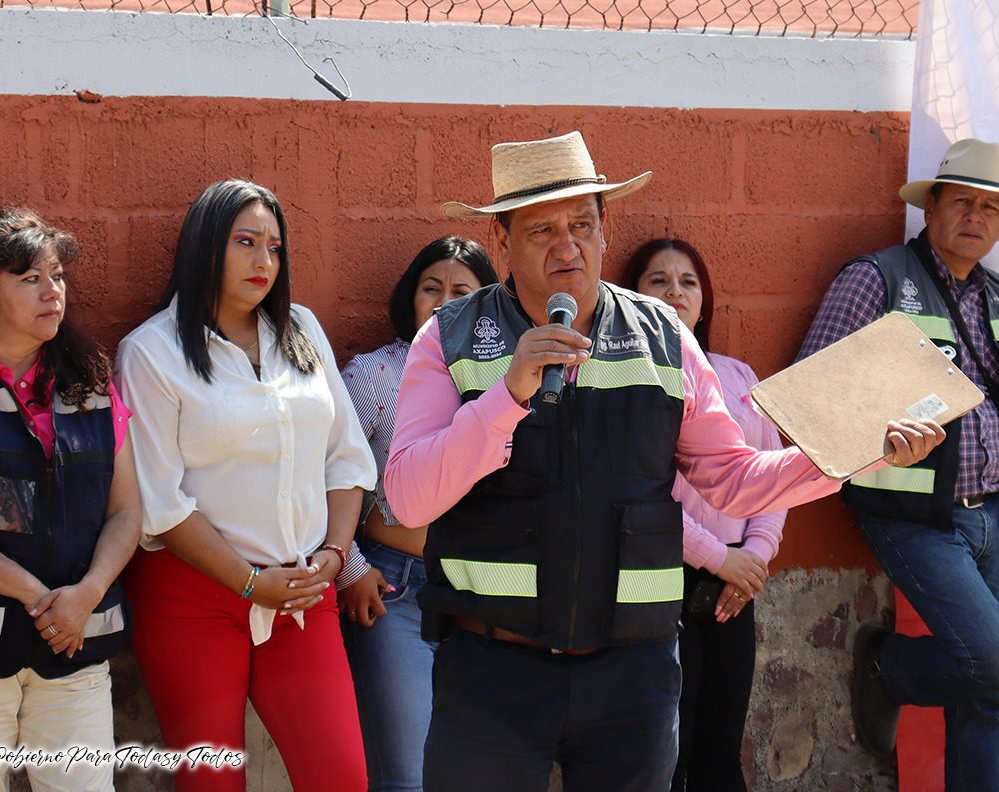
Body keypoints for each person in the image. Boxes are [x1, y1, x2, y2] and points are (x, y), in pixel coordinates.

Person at [384, 130, 945, 792]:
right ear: (502, 244)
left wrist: (855, 449)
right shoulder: (448, 338)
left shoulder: (663, 338)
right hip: (491, 673)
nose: (568, 246)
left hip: (633, 680)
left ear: (606, 228)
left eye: (583, 225)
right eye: (542, 231)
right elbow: (411, 499)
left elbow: (735, 481)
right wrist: (507, 395)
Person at [115, 179, 376, 792]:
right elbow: (160, 502)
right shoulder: (150, 353)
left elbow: (346, 458)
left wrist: (335, 557)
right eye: (246, 243)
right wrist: (251, 582)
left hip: (305, 597)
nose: (265, 262)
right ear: (206, 247)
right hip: (194, 600)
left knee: (340, 777)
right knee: (211, 783)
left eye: (276, 248)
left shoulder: (302, 330)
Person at [797, 138, 999, 791]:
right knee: (992, 661)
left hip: (993, 507)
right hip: (913, 515)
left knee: (991, 691)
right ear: (931, 207)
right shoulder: (878, 279)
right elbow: (810, 400)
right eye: (963, 201)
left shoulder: (996, 297)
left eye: (991, 208)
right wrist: (880, 429)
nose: (976, 216)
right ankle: (891, 667)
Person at [0, 207, 141, 792]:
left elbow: (127, 511)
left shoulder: (92, 385)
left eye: (58, 277)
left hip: (75, 654)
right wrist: (45, 601)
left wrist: (87, 596)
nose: (53, 292)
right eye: (29, 278)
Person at [339, 236, 498, 792]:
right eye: (432, 288)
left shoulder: (511, 377)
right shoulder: (376, 375)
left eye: (462, 290)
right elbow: (325, 477)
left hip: (486, 597)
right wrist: (350, 568)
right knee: (405, 777)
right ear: (411, 295)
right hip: (395, 593)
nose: (444, 301)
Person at [630, 237, 785, 792]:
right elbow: (647, 491)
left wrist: (753, 561)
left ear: (705, 299)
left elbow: (771, 476)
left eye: (687, 281)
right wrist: (721, 560)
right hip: (660, 584)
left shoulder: (740, 377)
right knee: (667, 759)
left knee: (721, 755)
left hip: (733, 592)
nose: (675, 291)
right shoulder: (624, 382)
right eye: (658, 280)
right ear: (630, 294)